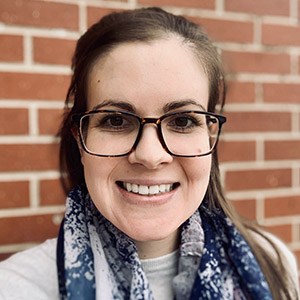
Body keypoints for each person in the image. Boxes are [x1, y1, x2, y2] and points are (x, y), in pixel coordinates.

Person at [0, 7, 298, 300]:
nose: (150, 155)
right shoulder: (17, 289)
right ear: (81, 139)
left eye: (182, 120)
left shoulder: (272, 264)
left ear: (210, 135)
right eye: (116, 120)